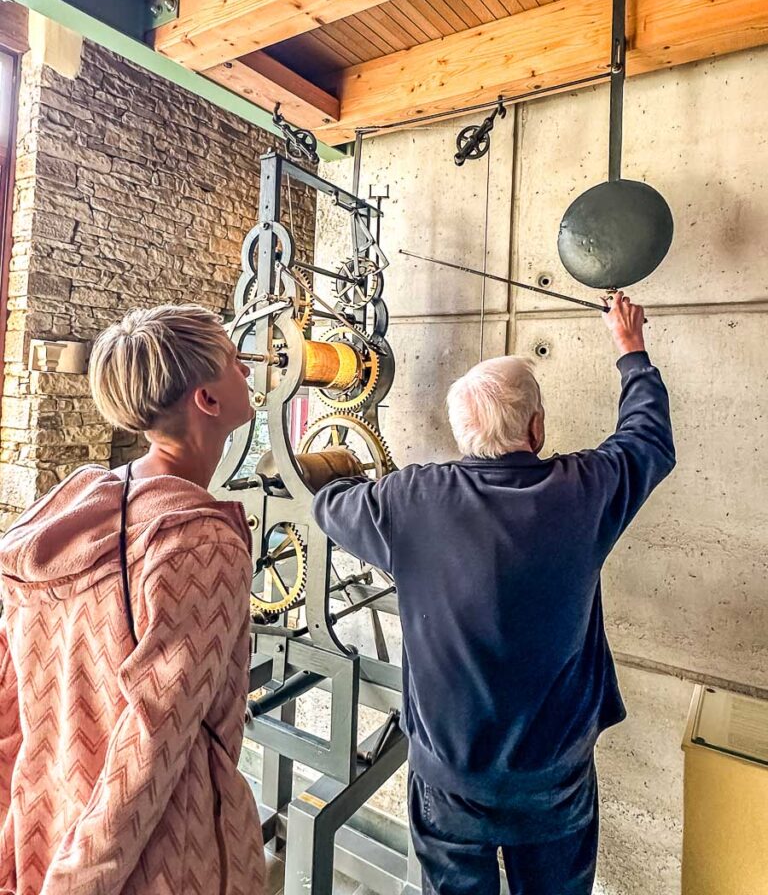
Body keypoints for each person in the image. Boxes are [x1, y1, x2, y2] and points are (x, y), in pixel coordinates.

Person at [312, 292, 676, 895]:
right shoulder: (583, 493)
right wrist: (629, 348)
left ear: (461, 435)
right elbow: (647, 439)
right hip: (553, 784)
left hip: (449, 785)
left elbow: (326, 502)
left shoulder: (408, 502)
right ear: (537, 427)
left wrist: (327, 468)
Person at [0, 304, 265, 895]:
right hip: (166, 856)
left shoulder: (60, 514)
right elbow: (154, 739)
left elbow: (9, 699)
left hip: (46, 827)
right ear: (208, 401)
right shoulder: (197, 540)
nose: (248, 370)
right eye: (232, 361)